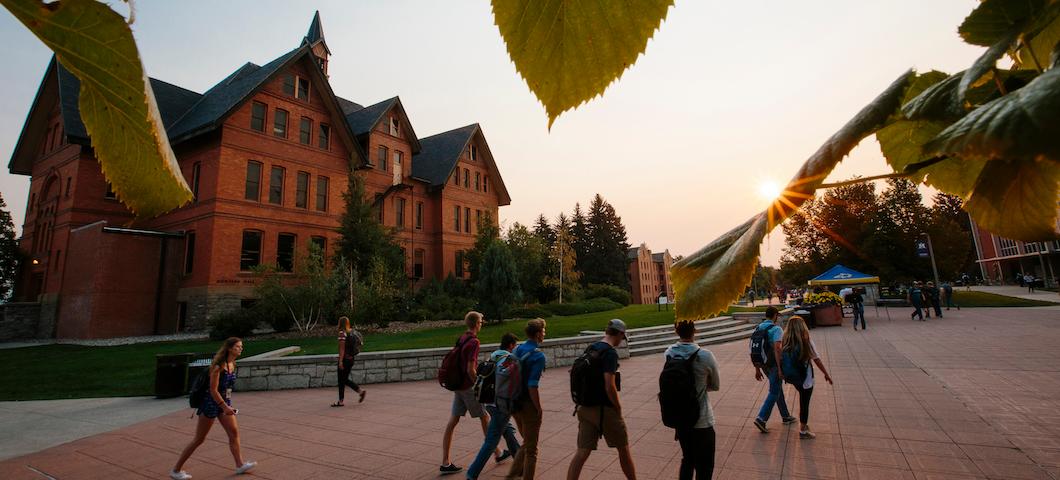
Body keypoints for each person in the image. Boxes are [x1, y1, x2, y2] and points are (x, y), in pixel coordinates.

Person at [171, 338, 256, 479]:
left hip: (224, 404)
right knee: (199, 439)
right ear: (229, 348)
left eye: (241, 346)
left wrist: (227, 405)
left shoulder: (231, 364)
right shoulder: (218, 366)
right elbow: (213, 390)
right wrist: (224, 406)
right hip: (210, 404)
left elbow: (227, 388)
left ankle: (240, 465)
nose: (241, 349)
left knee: (234, 433)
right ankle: (176, 470)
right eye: (238, 346)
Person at [567, 319, 636, 480]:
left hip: (584, 407)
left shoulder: (593, 347)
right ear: (619, 334)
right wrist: (617, 407)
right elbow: (609, 386)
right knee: (623, 449)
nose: (621, 341)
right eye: (622, 337)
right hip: (604, 410)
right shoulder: (610, 353)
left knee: (582, 452)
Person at [440, 312, 496, 475]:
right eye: (481, 321)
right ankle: (497, 453)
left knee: (453, 421)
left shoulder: (463, 337)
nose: (482, 323)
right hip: (466, 386)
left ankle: (445, 461)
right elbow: (470, 369)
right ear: (476, 323)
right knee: (485, 416)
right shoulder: (474, 342)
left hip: (458, 385)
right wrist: (479, 383)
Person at [664, 321, 720, 480]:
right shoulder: (705, 355)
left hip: (681, 420)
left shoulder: (668, 353)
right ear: (694, 330)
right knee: (705, 465)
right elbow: (715, 385)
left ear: (676, 331)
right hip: (702, 419)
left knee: (688, 459)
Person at [466, 333, 521, 479]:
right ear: (510, 345)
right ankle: (472, 473)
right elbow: (506, 380)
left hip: (489, 401)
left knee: (508, 431)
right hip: (500, 403)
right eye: (515, 345)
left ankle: (520, 463)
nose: (515, 348)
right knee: (491, 442)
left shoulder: (494, 355)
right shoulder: (506, 359)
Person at [779, 316, 833, 439]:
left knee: (802, 398)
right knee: (804, 402)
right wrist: (826, 374)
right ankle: (803, 430)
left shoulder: (786, 340)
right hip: (805, 378)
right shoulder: (806, 340)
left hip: (792, 377)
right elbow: (816, 359)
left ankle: (804, 425)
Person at [507, 318, 548, 480]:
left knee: (526, 443)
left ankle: (510, 476)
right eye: (544, 331)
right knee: (532, 450)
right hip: (527, 403)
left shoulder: (517, 349)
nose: (544, 334)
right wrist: (538, 407)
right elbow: (532, 385)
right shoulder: (538, 356)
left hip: (513, 401)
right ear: (538, 334)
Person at [752, 307, 796, 433]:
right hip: (774, 365)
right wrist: (780, 368)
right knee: (774, 391)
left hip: (763, 364)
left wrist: (757, 369)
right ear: (775, 315)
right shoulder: (776, 329)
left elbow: (753, 349)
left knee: (777, 389)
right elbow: (777, 349)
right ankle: (761, 418)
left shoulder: (758, 328)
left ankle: (785, 416)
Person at [332, 316, 366, 407]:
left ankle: (341, 401)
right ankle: (360, 392)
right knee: (344, 380)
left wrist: (340, 361)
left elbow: (342, 349)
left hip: (345, 360)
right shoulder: (351, 332)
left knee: (341, 380)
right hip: (351, 359)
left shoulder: (342, 333)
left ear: (340, 323)